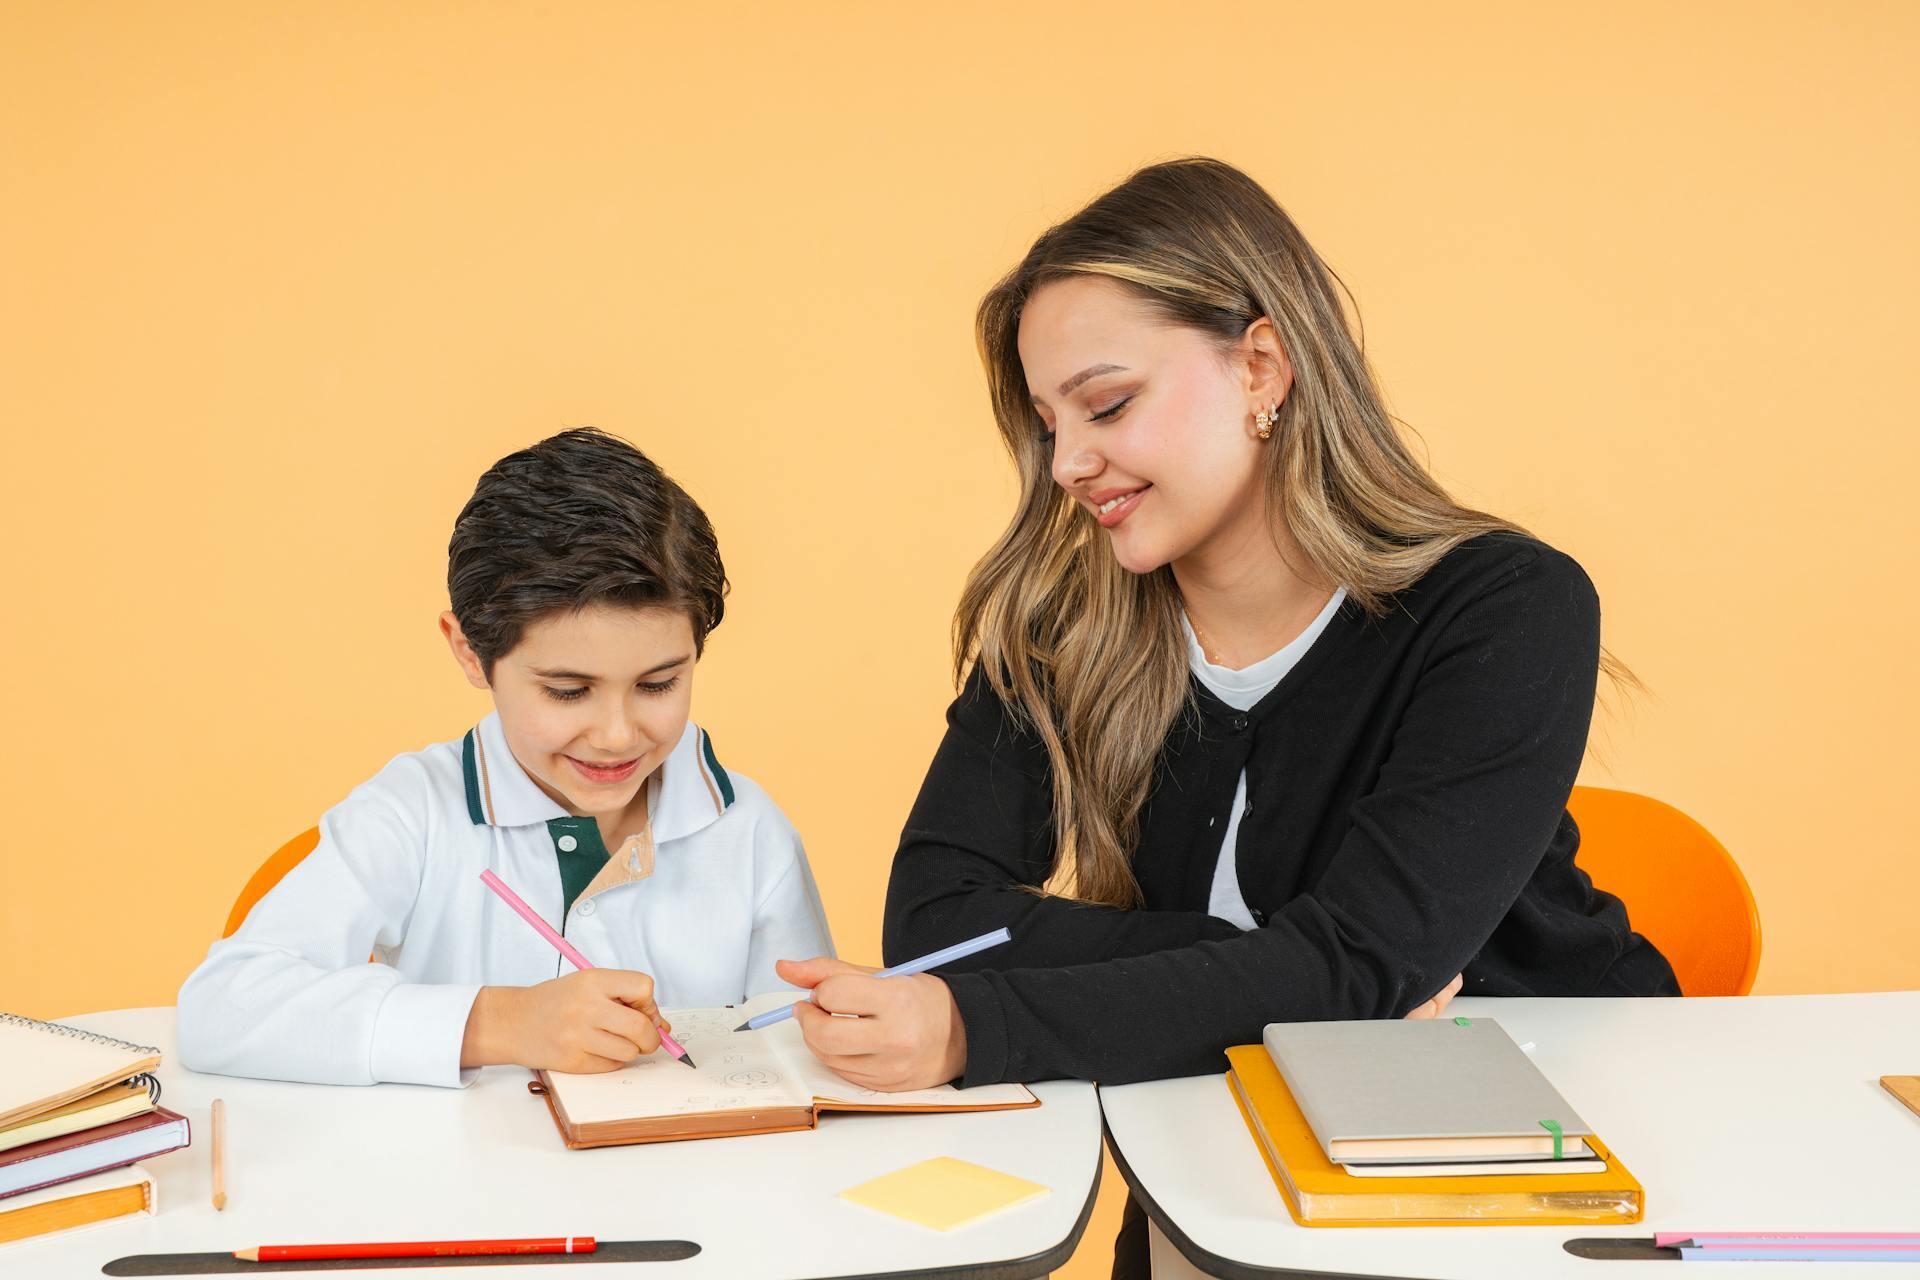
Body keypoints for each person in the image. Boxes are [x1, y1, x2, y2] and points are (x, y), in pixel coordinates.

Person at [775, 157, 1677, 1271]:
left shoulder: (1503, 607)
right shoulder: (1065, 627)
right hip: (1211, 1151)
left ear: (1262, 365)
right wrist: (1278, 962)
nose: (1068, 462)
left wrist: (984, 1022)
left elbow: (1354, 962)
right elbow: (934, 922)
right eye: (1049, 423)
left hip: (1530, 1163)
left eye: (1106, 404)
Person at [179, 428, 833, 1086]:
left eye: (658, 684)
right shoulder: (414, 813)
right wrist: (500, 1023)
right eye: (568, 690)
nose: (614, 734)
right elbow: (220, 1009)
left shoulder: (750, 832)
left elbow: (799, 1058)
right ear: (469, 652)